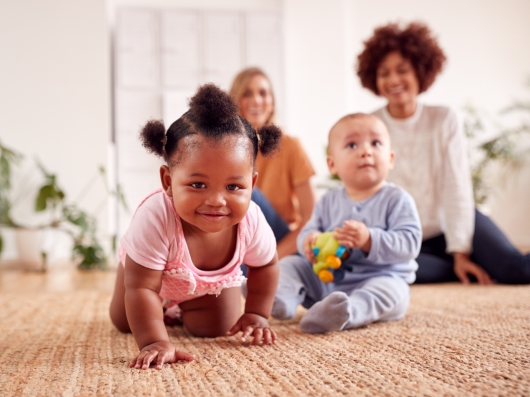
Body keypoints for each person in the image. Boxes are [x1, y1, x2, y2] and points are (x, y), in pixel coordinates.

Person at [356, 22, 530, 285]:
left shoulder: (443, 118)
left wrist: (461, 251)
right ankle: (463, 265)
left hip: (455, 222)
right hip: (408, 236)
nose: (393, 80)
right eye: (383, 73)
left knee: (518, 270)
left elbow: (455, 185)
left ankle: (467, 259)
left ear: (421, 71)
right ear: (373, 79)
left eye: (402, 70)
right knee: (395, 274)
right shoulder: (369, 124)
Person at [109, 84, 282, 370]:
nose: (216, 200)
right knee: (126, 322)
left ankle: (183, 308)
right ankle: (153, 303)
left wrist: (256, 313)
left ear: (251, 184)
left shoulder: (252, 218)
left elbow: (266, 265)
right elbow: (141, 287)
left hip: (205, 288)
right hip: (147, 277)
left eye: (233, 186)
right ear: (168, 181)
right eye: (198, 184)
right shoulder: (155, 217)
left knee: (216, 327)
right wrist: (154, 341)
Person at [271, 113, 421, 334]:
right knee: (291, 265)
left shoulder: (397, 199)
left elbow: (410, 243)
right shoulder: (328, 200)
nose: (366, 151)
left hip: (379, 277)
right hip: (327, 279)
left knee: (391, 292)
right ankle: (280, 298)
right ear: (332, 164)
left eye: (376, 143)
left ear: (390, 158)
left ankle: (345, 312)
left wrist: (369, 239)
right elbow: (310, 229)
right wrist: (308, 242)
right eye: (352, 145)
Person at [230, 68, 316, 258]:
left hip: (281, 239)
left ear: (272, 103)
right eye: (247, 93)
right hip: (242, 242)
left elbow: (311, 218)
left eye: (263, 93)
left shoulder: (290, 146)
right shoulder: (225, 150)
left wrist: (272, 258)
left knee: (247, 192)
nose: (257, 100)